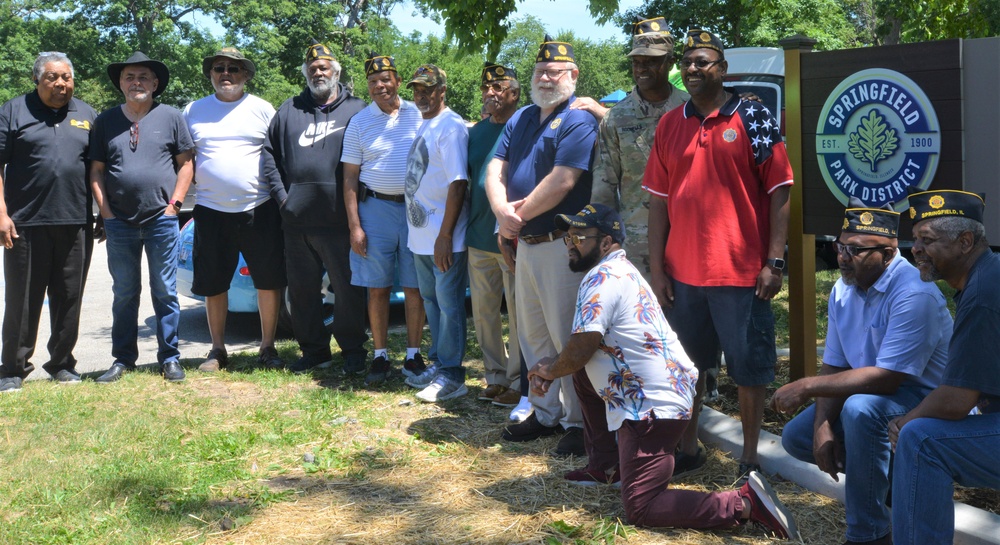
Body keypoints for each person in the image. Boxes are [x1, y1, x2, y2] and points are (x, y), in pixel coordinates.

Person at [526, 203, 798, 540]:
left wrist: (548, 370)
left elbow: (583, 346)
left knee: (642, 507)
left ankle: (742, 503)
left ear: (607, 241)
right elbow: (583, 349)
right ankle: (609, 465)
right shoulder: (619, 270)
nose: (570, 243)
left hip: (652, 409)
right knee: (580, 371)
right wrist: (554, 366)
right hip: (664, 393)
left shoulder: (602, 277)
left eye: (579, 236)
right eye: (567, 236)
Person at [642, 29, 793, 482]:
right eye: (687, 62)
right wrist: (656, 269)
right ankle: (688, 448)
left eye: (703, 61)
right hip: (683, 274)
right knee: (689, 366)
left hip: (742, 273)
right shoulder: (670, 124)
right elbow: (658, 201)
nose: (693, 69)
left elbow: (780, 190)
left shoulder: (753, 115)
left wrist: (775, 261)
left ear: (722, 69)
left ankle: (749, 456)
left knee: (749, 369)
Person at [772, 199, 951, 545]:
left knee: (861, 410)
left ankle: (867, 534)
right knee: (798, 435)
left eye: (855, 250)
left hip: (929, 401)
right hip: (877, 397)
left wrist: (807, 386)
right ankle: (892, 487)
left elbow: (888, 378)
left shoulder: (915, 294)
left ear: (887, 254)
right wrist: (823, 425)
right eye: (841, 246)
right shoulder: (844, 288)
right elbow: (836, 363)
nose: (841, 257)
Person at [486, 35, 596, 457]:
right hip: (525, 241)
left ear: (573, 75)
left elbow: (564, 179)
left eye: (556, 71)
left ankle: (578, 421)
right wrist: (503, 215)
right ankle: (544, 410)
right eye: (540, 71)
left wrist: (518, 216)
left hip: (560, 243)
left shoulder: (578, 118)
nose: (547, 77)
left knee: (566, 334)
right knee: (532, 335)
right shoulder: (523, 117)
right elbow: (495, 168)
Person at [888, 189, 1000, 545]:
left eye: (927, 240)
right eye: (915, 239)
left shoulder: (982, 294)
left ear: (965, 242)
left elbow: (956, 400)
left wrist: (906, 422)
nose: (915, 249)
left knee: (921, 440)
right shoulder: (987, 276)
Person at [263, 42, 369, 375]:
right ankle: (314, 350)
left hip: (342, 220)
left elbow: (374, 156)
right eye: (312, 69)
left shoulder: (358, 110)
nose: (318, 72)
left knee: (349, 290)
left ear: (336, 71)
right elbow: (268, 157)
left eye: (324, 67)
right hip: (297, 222)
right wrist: (284, 200)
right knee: (303, 290)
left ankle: (352, 349)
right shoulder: (289, 110)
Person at [89, 52, 194, 383]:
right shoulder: (105, 121)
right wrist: (106, 213)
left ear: (155, 83)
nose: (137, 82)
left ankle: (170, 358)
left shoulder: (172, 117)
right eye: (130, 77)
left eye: (144, 77)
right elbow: (95, 171)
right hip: (119, 222)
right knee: (124, 291)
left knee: (164, 289)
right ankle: (122, 359)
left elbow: (187, 164)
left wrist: (174, 205)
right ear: (121, 83)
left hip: (161, 220)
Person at [183, 47, 286, 372]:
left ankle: (267, 347)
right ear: (211, 74)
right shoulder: (193, 110)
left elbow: (280, 155)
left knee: (268, 280)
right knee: (214, 283)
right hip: (211, 211)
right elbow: (183, 158)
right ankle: (217, 350)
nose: (225, 73)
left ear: (245, 75)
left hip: (260, 208)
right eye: (218, 68)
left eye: (233, 68)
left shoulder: (262, 109)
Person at [0, 52, 97, 392]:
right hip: (25, 224)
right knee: (22, 300)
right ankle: (12, 369)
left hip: (76, 222)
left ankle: (62, 364)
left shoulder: (86, 114)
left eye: (66, 78)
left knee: (69, 297)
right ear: (37, 80)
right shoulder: (13, 111)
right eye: (52, 78)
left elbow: (98, 167)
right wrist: (1, 213)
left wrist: (103, 211)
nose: (61, 84)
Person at [342, 52, 426, 385]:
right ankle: (379, 356)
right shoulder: (360, 122)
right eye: (374, 81)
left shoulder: (418, 114)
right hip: (374, 210)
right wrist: (355, 226)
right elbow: (349, 178)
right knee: (376, 289)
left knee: (413, 286)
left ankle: (413, 354)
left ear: (398, 81)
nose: (380, 86)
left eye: (386, 79)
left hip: (413, 210)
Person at [591, 17, 688, 282]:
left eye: (651, 61)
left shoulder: (691, 110)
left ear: (669, 62)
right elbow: (603, 185)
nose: (641, 68)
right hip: (637, 243)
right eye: (637, 61)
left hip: (689, 237)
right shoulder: (616, 118)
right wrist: (605, 240)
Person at [398, 64, 470, 402]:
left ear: (443, 90)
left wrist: (445, 236)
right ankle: (439, 364)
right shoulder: (425, 123)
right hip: (421, 238)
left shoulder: (451, 126)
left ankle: (453, 374)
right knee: (432, 302)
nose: (420, 95)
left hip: (444, 239)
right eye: (416, 89)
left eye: (428, 89)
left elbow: (458, 184)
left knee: (450, 304)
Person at [466, 62, 527, 415]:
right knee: (484, 312)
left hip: (513, 238)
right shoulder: (474, 133)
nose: (490, 93)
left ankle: (519, 382)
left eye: (498, 87)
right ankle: (495, 375)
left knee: (519, 314)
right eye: (486, 88)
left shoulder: (525, 127)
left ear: (514, 94)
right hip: (477, 236)